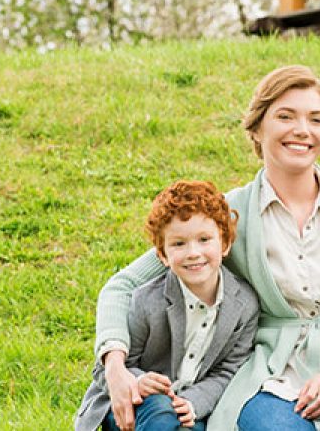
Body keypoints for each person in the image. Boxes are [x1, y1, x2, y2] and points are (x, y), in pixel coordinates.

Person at [93, 66, 320, 431]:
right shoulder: (227, 215)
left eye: (316, 119)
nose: (303, 130)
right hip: (267, 384)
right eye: (285, 116)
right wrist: (114, 366)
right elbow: (122, 285)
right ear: (256, 128)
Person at [75, 180, 259, 431]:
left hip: (192, 411)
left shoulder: (244, 305)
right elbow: (106, 368)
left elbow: (228, 372)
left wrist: (192, 402)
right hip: (137, 407)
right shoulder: (147, 301)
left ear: (225, 244)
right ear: (162, 255)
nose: (193, 252)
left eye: (204, 239)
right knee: (160, 411)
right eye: (179, 244)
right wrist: (138, 382)